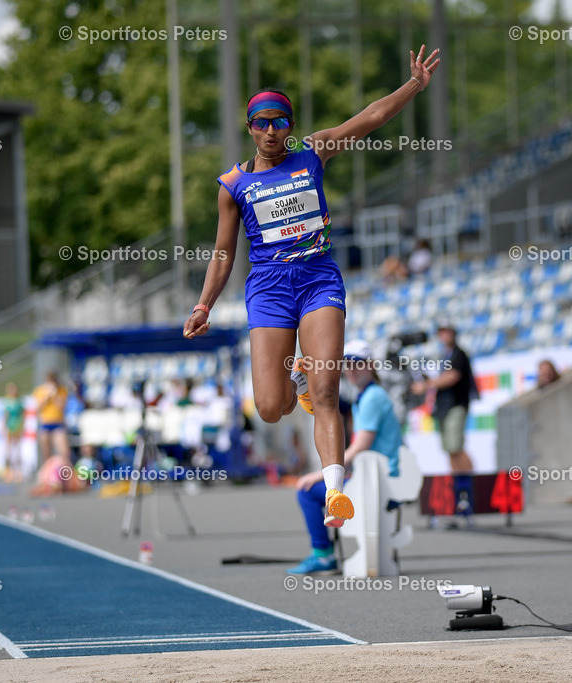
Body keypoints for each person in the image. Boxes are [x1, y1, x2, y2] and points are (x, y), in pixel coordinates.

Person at [183, 45, 440, 530]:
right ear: (250, 128)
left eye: (280, 120)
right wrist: (204, 304)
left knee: (328, 392)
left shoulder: (312, 152)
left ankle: (336, 493)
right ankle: (294, 378)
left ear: (290, 125)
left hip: (319, 279)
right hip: (268, 289)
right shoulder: (233, 185)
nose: (272, 129)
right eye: (262, 121)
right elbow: (223, 252)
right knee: (270, 407)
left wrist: (415, 85)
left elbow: (370, 118)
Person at [288, 339, 402, 575]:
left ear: (370, 365)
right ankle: (324, 553)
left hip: (380, 482)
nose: (350, 369)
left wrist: (320, 475)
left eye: (356, 363)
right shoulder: (368, 395)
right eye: (346, 364)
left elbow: (361, 446)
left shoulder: (372, 397)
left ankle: (323, 555)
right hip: (376, 477)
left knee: (307, 491)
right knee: (314, 488)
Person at [411, 320, 476, 529]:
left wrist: (427, 384)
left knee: (455, 446)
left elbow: (453, 376)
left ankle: (467, 488)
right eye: (441, 332)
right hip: (445, 407)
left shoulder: (458, 353)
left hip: (455, 405)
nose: (444, 335)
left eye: (447, 331)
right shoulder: (446, 355)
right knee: (451, 449)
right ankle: (461, 490)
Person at [33, 371, 70, 464]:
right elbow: (38, 408)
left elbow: (62, 407)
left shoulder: (62, 390)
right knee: (46, 453)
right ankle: (48, 475)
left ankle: (66, 472)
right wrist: (47, 397)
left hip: (58, 423)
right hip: (45, 423)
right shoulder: (40, 390)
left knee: (64, 451)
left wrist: (55, 395)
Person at [2, 382, 25, 483]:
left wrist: (22, 426)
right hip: (10, 426)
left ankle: (18, 472)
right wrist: (4, 427)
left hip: (17, 425)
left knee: (17, 450)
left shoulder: (19, 401)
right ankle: (8, 471)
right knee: (9, 450)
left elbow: (22, 415)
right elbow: (6, 415)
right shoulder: (7, 401)